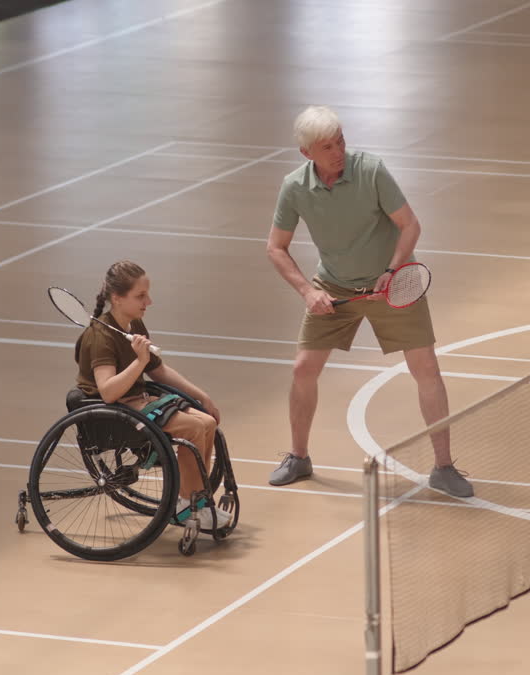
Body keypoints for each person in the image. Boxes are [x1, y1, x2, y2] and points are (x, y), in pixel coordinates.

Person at [264, 105, 473, 498]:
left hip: (390, 286)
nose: (339, 150)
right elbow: (276, 248)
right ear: (307, 154)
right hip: (334, 286)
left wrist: (393, 272)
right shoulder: (294, 187)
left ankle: (444, 467)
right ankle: (298, 456)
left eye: (340, 140)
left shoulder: (371, 171)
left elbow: (410, 225)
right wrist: (309, 292)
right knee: (303, 369)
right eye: (328, 146)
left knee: (425, 367)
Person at [74, 260, 231, 527]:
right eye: (141, 296)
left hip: (139, 401)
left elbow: (159, 371)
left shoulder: (134, 325)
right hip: (116, 411)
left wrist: (203, 397)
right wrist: (139, 361)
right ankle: (187, 505)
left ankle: (198, 501)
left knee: (207, 422)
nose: (149, 301)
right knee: (192, 428)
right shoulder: (101, 336)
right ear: (117, 298)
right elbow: (109, 391)